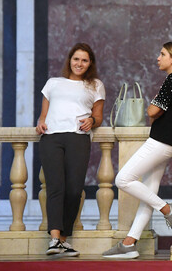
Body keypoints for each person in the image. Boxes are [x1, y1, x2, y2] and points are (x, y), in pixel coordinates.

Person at [102, 42, 172, 259]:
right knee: (148, 194)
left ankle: (167, 210)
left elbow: (152, 111)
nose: (158, 58)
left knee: (122, 179)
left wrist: (153, 107)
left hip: (160, 141)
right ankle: (129, 243)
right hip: (168, 143)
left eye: (162, 54)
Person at [36, 42, 106, 256]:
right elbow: (43, 115)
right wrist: (40, 122)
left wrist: (92, 120)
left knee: (74, 190)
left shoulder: (95, 85)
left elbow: (98, 116)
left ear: (90, 63)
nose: (79, 63)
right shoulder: (53, 83)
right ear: (70, 60)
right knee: (55, 187)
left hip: (78, 138)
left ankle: (63, 240)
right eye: (76, 59)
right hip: (51, 138)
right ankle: (54, 238)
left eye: (84, 60)